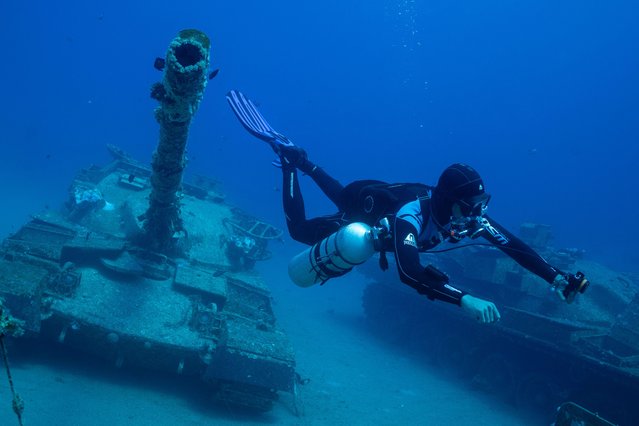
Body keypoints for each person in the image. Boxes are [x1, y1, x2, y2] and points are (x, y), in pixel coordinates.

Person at [226, 90, 589, 324]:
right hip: (367, 206)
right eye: (472, 205)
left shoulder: (467, 218)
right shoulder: (411, 217)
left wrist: (556, 277)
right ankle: (291, 163)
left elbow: (511, 244)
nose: (479, 214)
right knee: (302, 230)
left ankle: (303, 160)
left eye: (482, 204)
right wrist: (465, 299)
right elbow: (410, 272)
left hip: (368, 197)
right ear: (450, 202)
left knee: (342, 197)